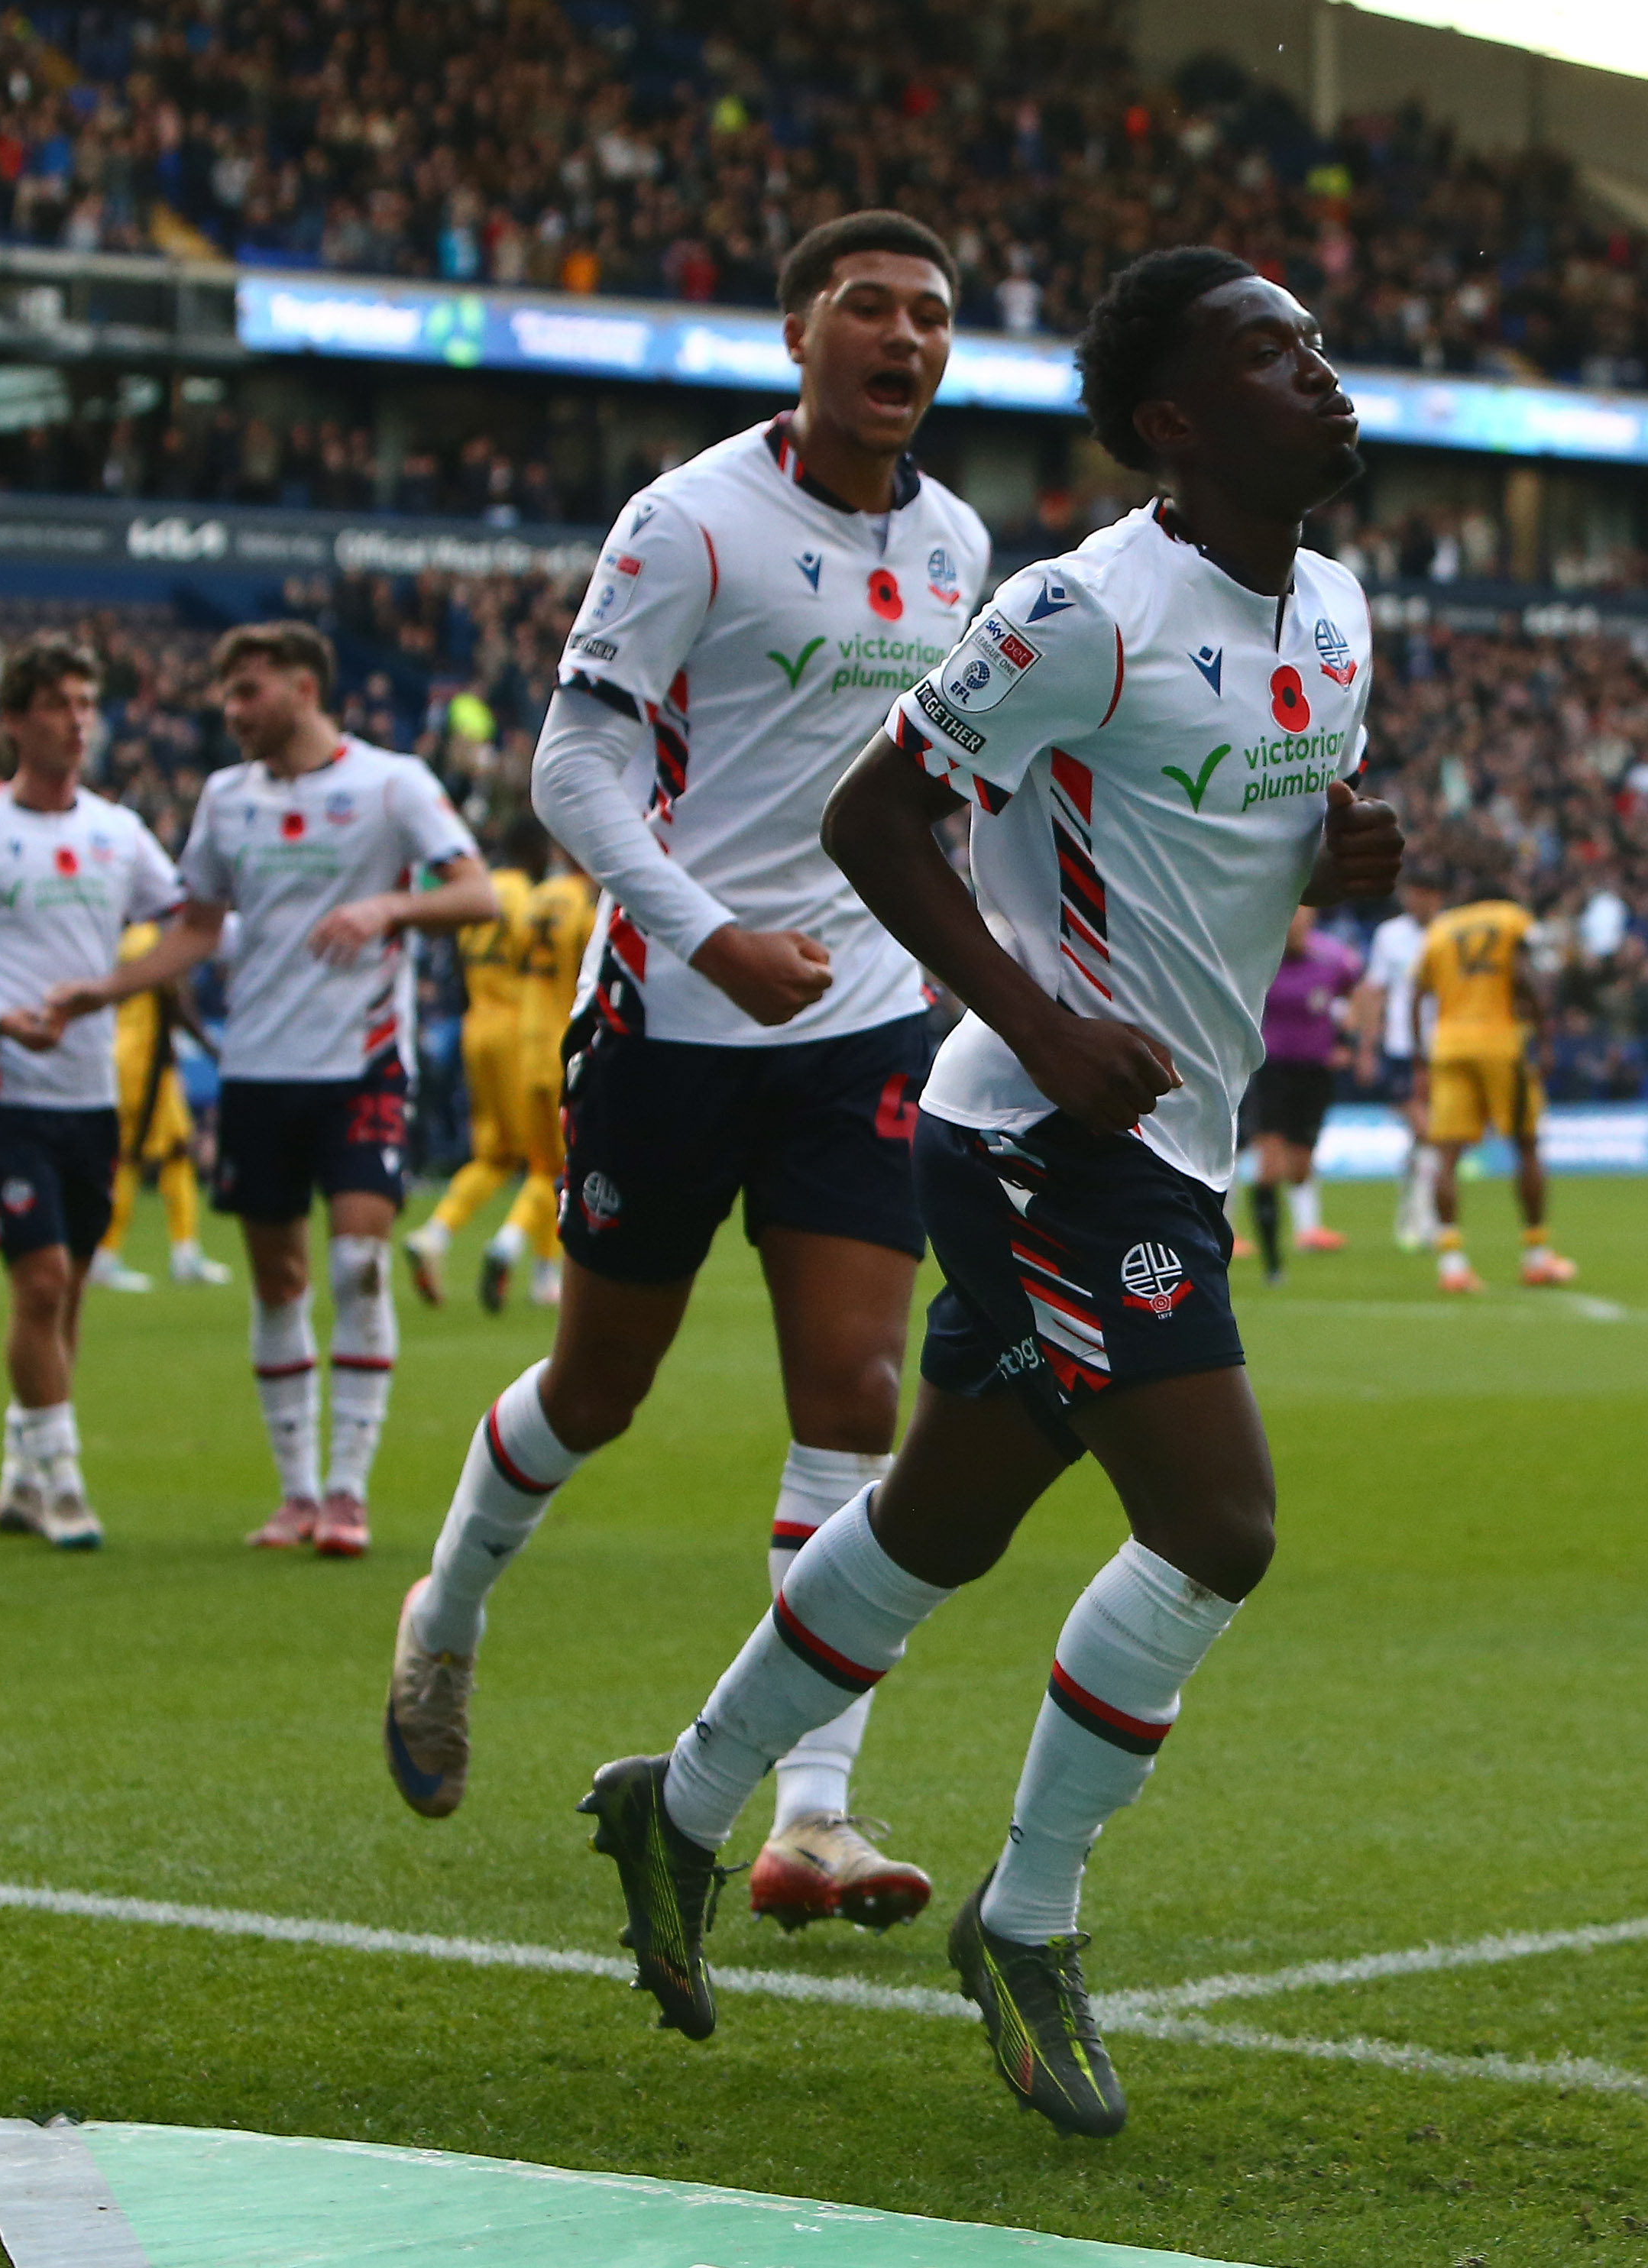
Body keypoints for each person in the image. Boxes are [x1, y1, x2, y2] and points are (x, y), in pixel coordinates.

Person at [578, 245, 1400, 2137]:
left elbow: (1245, 823)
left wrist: (1350, 841)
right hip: (1043, 1137)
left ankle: (682, 1806)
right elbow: (873, 814)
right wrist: (1041, 1010)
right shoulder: (1076, 609)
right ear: (1177, 423)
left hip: (1157, 1138)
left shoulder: (1338, 608)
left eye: (1321, 343)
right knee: (1221, 1527)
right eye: (1280, 353)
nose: (1327, 374)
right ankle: (1026, 1923)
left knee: (940, 1523)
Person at [387, 212, 995, 1946]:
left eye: (930, 317)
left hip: (861, 1031)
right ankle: (448, 1608)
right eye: (868, 307)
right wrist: (709, 931)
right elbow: (572, 774)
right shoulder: (689, 521)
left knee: (857, 1389)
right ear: (800, 332)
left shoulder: (956, 545)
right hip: (667, 1016)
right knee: (600, 1384)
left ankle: (810, 1810)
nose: (902, 336)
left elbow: (953, 789)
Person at [49, 622, 491, 1558]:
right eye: (227, 694)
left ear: (303, 686)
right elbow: (197, 926)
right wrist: (102, 989)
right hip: (258, 1069)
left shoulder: (391, 783)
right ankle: (295, 1495)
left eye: (247, 691)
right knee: (281, 1280)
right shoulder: (224, 797)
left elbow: (476, 893)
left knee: (358, 1264)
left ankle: (348, 1493)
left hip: (364, 1063)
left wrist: (389, 904)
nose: (231, 710)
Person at [0, 636, 184, 1552]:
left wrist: (121, 989)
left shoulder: (117, 831)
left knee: (66, 1299)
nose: (78, 720)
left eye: (87, 703)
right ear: (16, 719)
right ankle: (64, 1480)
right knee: (43, 1279)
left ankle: (20, 1473)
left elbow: (182, 924)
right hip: (3, 1088)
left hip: (90, 1092)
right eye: (60, 703)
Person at [404, 815, 551, 1312]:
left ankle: (435, 1234)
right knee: (549, 1159)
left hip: (475, 1026)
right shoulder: (533, 899)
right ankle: (525, 1259)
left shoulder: (483, 892)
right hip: (521, 1029)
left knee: (493, 1157)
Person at [1413, 877, 1574, 1292]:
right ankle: (1537, 1257)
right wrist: (1545, 1036)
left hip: (1448, 1045)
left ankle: (1452, 1265)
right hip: (1500, 1044)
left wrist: (1419, 1057)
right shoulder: (1510, 919)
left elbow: (1417, 996)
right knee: (1527, 1145)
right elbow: (1523, 976)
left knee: (1445, 1156)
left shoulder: (1441, 928)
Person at [85, 917, 227, 1294]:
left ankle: (185, 1251)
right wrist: (214, 1050)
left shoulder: (132, 939)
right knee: (128, 1156)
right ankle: (105, 1254)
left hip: (150, 1062)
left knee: (179, 1149)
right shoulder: (155, 941)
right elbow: (177, 1002)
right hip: (140, 1063)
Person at [1234, 904, 1359, 1281]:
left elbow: (1355, 997)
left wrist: (1347, 1040)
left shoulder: (1336, 960)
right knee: (1269, 1165)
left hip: (1315, 1074)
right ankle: (1273, 1265)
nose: (1293, 926)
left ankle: (1299, 1230)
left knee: (1299, 1168)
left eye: (1300, 917)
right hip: (1271, 1072)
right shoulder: (1260, 958)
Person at [498, 844, 594, 1312]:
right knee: (563, 1167)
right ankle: (510, 1242)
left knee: (543, 1165)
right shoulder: (586, 906)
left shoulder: (534, 899)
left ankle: (542, 1275)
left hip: (523, 1039)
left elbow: (514, 955)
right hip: (561, 1042)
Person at [1355, 866, 1442, 1250]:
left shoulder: (1451, 932)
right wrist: (1367, 1047)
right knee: (1427, 1131)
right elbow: (1375, 992)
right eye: (1414, 892)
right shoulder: (1390, 936)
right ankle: (1424, 1220)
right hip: (1403, 1049)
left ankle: (1413, 1205)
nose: (1420, 901)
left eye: (1428, 893)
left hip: (1445, 1048)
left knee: (1429, 1137)